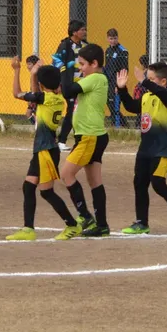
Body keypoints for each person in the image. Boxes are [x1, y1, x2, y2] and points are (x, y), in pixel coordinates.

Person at [5, 57, 81, 241]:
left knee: (46, 192)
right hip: (43, 150)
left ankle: (72, 225)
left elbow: (17, 93)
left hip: (46, 150)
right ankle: (28, 229)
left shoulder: (44, 98)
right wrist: (34, 76)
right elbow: (36, 93)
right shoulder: (54, 98)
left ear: (41, 83)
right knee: (28, 187)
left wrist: (16, 71)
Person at [115, 63, 167, 235]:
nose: (147, 82)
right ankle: (141, 222)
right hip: (145, 148)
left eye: (152, 79)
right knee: (139, 183)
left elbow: (165, 96)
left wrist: (144, 81)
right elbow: (130, 106)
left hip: (162, 149)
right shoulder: (147, 97)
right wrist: (122, 89)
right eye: (147, 79)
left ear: (164, 81)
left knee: (158, 183)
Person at [59, 43, 111, 237]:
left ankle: (85, 215)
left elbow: (68, 90)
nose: (80, 68)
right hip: (91, 135)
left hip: (90, 136)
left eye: (82, 64)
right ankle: (102, 224)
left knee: (66, 174)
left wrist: (65, 68)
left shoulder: (96, 77)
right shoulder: (93, 79)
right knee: (94, 181)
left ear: (94, 63)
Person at [52, 20, 87, 152]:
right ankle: (61, 140)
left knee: (81, 112)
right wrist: (60, 81)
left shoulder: (85, 45)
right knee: (72, 110)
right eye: (82, 30)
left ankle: (80, 139)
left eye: (85, 30)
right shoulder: (65, 45)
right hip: (69, 85)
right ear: (74, 32)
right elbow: (56, 61)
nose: (84, 32)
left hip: (83, 85)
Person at [104, 28, 129, 128]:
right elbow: (107, 67)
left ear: (117, 38)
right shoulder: (108, 50)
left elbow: (124, 69)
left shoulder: (122, 51)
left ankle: (118, 125)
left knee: (115, 104)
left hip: (117, 81)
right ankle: (122, 123)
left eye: (114, 38)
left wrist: (118, 85)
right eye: (110, 38)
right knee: (108, 102)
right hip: (108, 81)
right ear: (107, 39)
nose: (113, 41)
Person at [24, 55, 40, 124]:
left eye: (29, 64)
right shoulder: (32, 75)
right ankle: (36, 125)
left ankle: (38, 127)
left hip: (38, 97)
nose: (28, 66)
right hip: (33, 97)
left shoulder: (37, 75)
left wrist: (33, 100)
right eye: (27, 64)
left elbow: (38, 88)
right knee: (28, 113)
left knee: (36, 114)